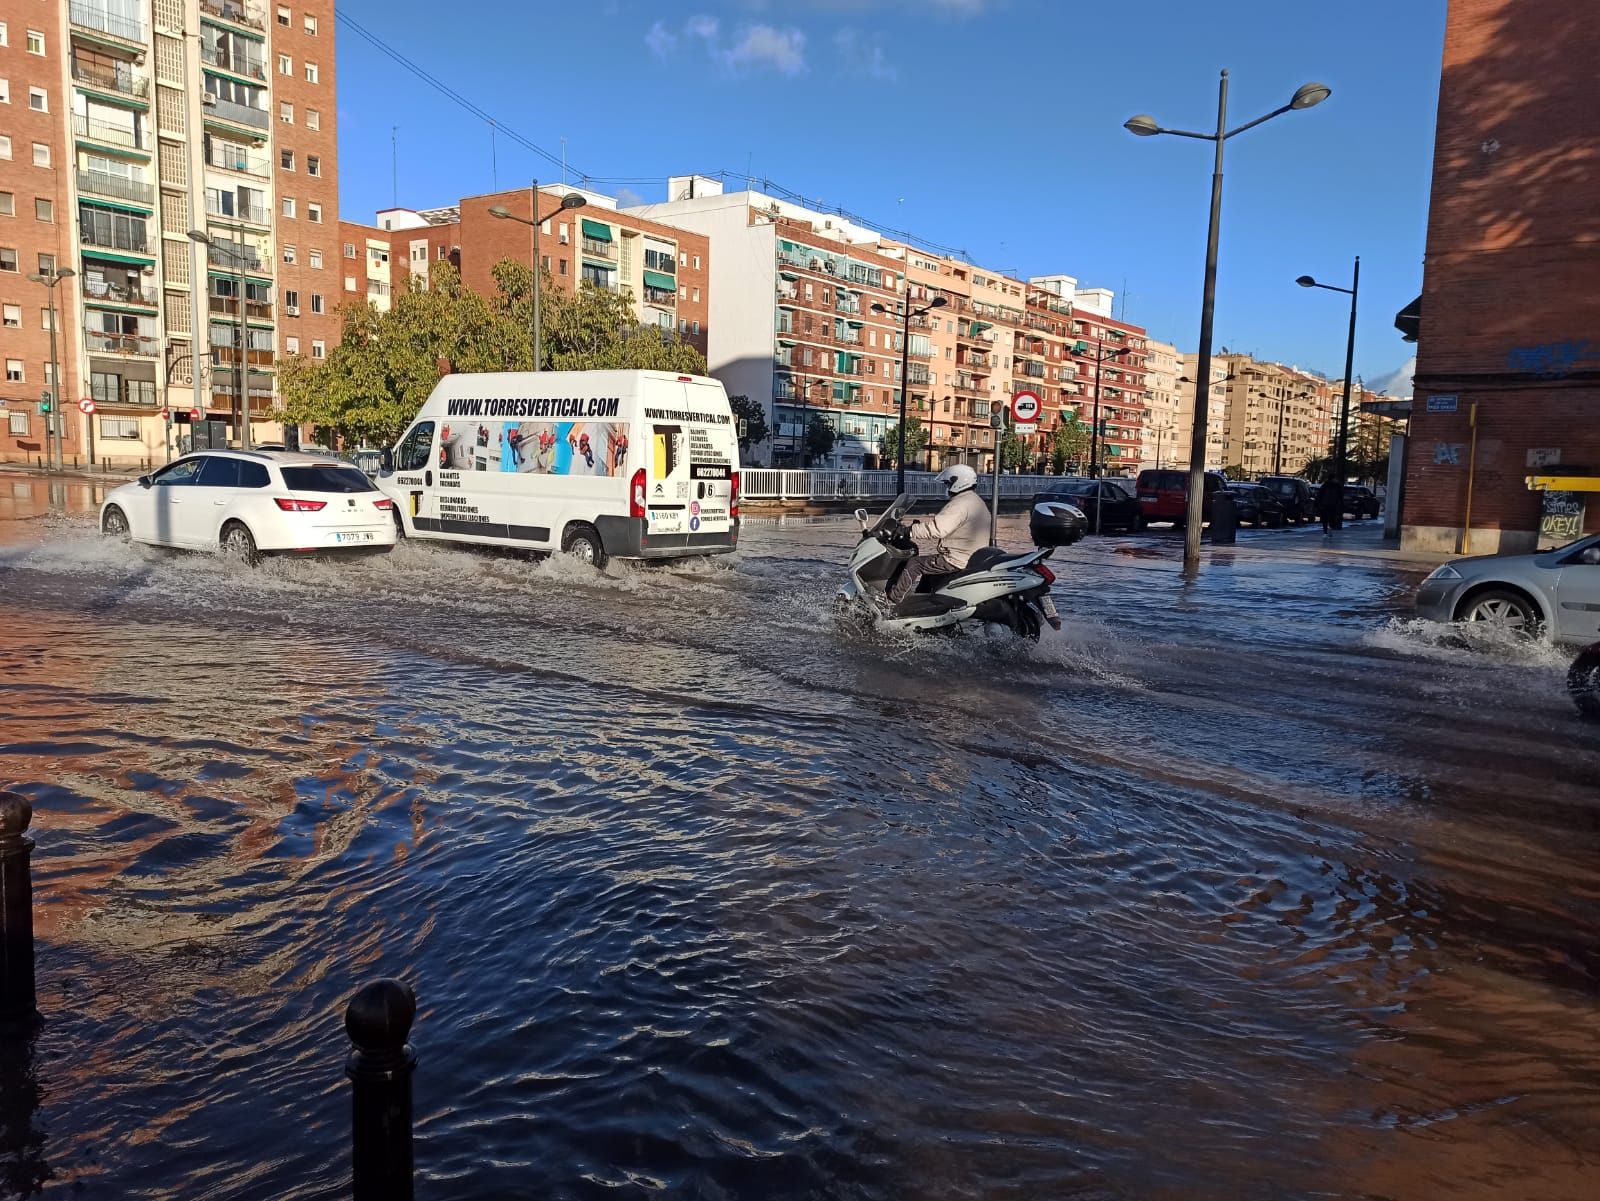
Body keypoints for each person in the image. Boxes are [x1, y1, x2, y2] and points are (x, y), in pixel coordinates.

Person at [886, 464, 990, 606]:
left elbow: (938, 529)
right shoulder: (975, 501)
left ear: (957, 483)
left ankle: (893, 600)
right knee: (928, 572)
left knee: (915, 563)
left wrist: (909, 531)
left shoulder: (960, 504)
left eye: (948, 483)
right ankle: (919, 603)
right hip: (971, 557)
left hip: (957, 559)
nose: (947, 488)